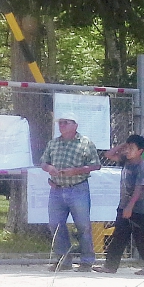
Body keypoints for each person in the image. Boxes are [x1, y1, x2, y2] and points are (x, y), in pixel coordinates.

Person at [40, 112, 101, 271]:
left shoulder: (86, 143)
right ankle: (63, 260)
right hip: (57, 190)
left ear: (75, 125)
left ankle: (87, 261)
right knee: (55, 224)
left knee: (83, 226)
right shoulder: (53, 143)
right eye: (60, 123)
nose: (61, 126)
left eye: (65, 123)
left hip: (78, 188)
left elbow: (96, 165)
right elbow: (43, 163)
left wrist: (77, 171)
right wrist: (50, 168)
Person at [95, 135, 144, 275]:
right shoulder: (126, 161)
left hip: (137, 209)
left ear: (140, 151)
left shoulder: (141, 167)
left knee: (141, 238)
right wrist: (124, 144)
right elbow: (109, 154)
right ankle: (110, 266)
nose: (128, 150)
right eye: (127, 148)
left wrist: (130, 207)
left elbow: (140, 188)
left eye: (132, 148)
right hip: (124, 206)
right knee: (119, 236)